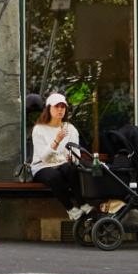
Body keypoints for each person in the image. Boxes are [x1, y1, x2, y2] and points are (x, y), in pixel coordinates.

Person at [29, 92, 91, 221]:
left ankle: (83, 204)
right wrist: (57, 140)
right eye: (56, 106)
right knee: (54, 176)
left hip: (62, 164)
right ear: (49, 108)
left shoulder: (70, 128)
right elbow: (44, 158)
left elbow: (76, 155)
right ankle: (71, 209)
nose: (60, 110)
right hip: (42, 166)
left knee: (71, 169)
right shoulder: (39, 129)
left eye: (63, 107)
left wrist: (72, 158)